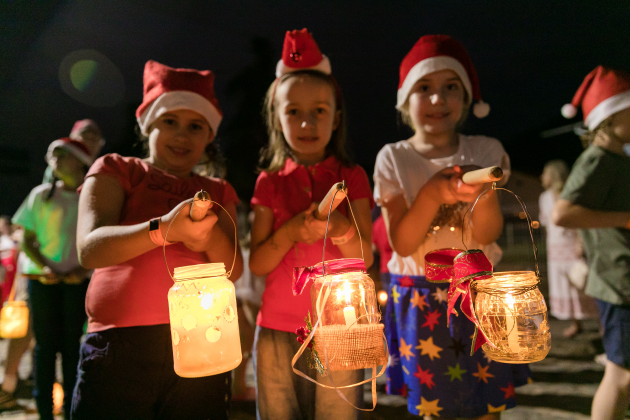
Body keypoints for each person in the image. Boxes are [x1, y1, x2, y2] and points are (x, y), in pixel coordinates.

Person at [71, 60, 243, 420]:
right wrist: (163, 230)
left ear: (209, 135)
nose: (182, 135)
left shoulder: (217, 190)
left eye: (195, 126)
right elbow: (90, 248)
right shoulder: (117, 168)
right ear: (148, 124)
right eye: (170, 122)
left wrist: (207, 238)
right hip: (119, 346)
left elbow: (233, 269)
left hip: (204, 342)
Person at [373, 35, 530, 419]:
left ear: (466, 98)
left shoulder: (485, 151)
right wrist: (432, 193)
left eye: (450, 88)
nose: (438, 99)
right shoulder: (394, 158)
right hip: (420, 298)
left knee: (487, 405)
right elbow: (404, 243)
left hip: (478, 295)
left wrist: (483, 193)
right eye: (423, 88)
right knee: (433, 407)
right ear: (405, 101)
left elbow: (488, 234)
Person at [249, 29, 374, 420]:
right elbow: (258, 264)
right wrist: (290, 233)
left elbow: (364, 257)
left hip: (340, 329)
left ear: (336, 118)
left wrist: (341, 229)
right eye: (293, 112)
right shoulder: (270, 182)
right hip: (276, 331)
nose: (307, 122)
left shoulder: (351, 178)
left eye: (319, 110)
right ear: (277, 118)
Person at [553, 66, 630, 420]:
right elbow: (562, 213)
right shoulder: (596, 159)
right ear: (611, 116)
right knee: (622, 375)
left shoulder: (617, 158)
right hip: (618, 285)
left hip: (624, 279)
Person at [11, 138, 93, 420]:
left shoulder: (91, 196)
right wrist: (45, 268)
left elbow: (95, 243)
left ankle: (72, 408)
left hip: (77, 284)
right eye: (53, 154)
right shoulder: (41, 194)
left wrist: (81, 272)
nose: (55, 159)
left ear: (80, 161)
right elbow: (27, 239)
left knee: (73, 345)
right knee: (45, 346)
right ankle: (45, 411)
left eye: (63, 154)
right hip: (42, 283)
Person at [539, 160, 598, 337]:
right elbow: (546, 223)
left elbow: (579, 221)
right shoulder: (545, 198)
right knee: (564, 286)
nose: (542, 177)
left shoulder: (569, 195)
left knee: (582, 283)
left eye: (545, 173)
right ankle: (576, 323)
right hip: (555, 249)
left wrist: (581, 243)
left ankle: (600, 320)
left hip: (572, 246)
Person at [43, 119, 105, 184]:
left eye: (94, 139)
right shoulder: (59, 167)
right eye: (85, 137)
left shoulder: (105, 169)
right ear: (73, 140)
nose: (89, 143)